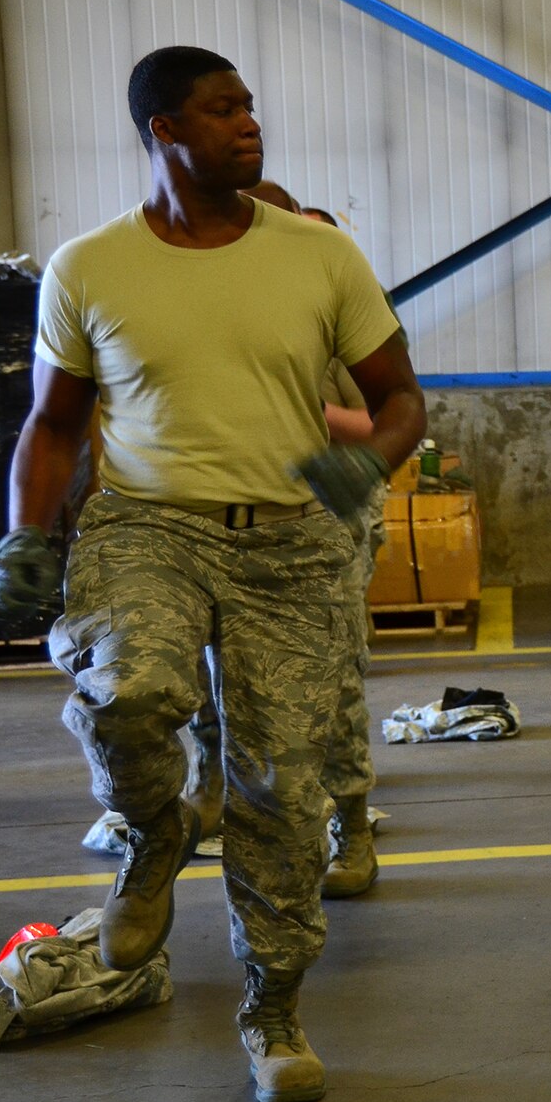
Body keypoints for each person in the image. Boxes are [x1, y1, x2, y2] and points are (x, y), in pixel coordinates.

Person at [0, 45, 425, 1102]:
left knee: (280, 793)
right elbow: (51, 424)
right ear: (163, 131)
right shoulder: (89, 267)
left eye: (250, 106)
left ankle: (272, 1006)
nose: (249, 124)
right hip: (147, 525)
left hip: (288, 539)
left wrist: (367, 458)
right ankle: (153, 827)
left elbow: (403, 395)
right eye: (222, 110)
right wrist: (26, 536)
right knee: (127, 692)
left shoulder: (321, 258)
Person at [181, 181, 390, 898]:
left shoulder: (326, 315)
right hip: (209, 516)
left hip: (313, 514)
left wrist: (295, 408)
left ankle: (351, 827)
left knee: (327, 679)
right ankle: (208, 782)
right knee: (205, 672)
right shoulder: (192, 315)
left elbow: (381, 419)